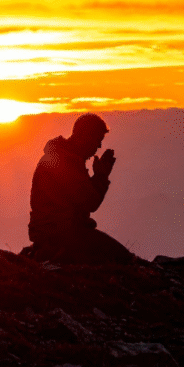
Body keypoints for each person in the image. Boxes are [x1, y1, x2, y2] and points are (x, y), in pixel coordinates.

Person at [23, 113, 136, 264]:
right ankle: (49, 253)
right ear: (85, 137)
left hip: (55, 232)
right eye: (97, 140)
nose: (99, 146)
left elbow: (81, 198)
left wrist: (98, 176)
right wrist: (101, 176)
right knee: (123, 259)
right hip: (60, 233)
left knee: (118, 256)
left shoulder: (65, 158)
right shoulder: (64, 162)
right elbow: (90, 203)